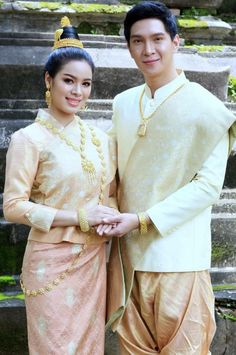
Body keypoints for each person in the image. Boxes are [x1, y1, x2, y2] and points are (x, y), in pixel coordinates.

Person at [99, 2, 236, 354]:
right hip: (128, 260)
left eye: (158, 38)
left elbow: (206, 188)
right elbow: (109, 172)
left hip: (180, 260)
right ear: (129, 48)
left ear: (176, 42)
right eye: (137, 41)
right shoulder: (123, 103)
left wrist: (142, 220)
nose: (148, 50)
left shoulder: (208, 111)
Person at [3, 16, 118, 354]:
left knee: (89, 347)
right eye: (69, 81)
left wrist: (109, 214)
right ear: (49, 80)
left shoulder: (100, 139)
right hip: (49, 262)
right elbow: (13, 207)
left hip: (93, 260)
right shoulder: (29, 139)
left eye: (86, 84)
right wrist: (80, 216)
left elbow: (107, 193)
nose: (77, 92)